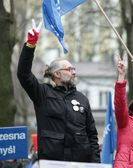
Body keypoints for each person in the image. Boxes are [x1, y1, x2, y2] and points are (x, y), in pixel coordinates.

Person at [17, 20, 100, 162]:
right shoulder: (42, 93)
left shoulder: (82, 99)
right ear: (56, 74)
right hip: (52, 161)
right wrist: (30, 45)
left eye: (74, 69)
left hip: (80, 163)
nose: (74, 72)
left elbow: (92, 134)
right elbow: (23, 74)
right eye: (69, 69)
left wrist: (96, 164)